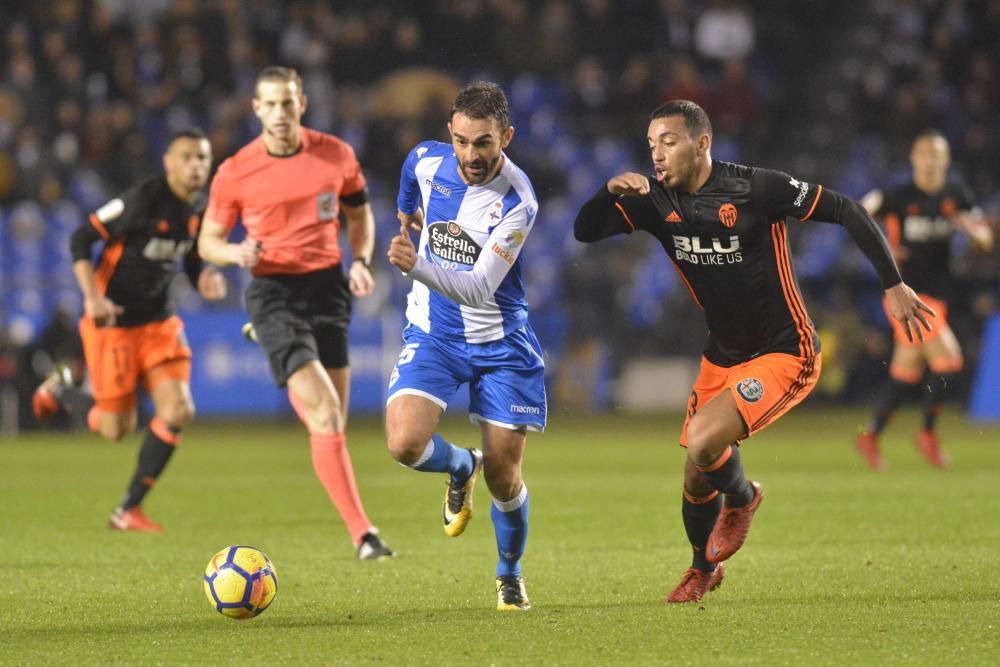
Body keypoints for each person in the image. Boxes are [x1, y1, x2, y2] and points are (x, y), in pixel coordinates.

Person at [573, 100, 932, 603]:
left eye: (668, 142)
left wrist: (893, 284)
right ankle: (702, 569)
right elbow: (585, 230)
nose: (656, 154)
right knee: (696, 477)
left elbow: (847, 209)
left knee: (702, 442)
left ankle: (744, 498)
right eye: (651, 143)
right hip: (721, 356)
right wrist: (605, 191)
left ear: (702, 144)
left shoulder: (754, 187)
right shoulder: (654, 201)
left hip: (785, 350)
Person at [197, 66, 394, 561]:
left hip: (327, 287)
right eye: (271, 104)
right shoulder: (236, 170)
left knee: (332, 424)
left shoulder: (336, 155)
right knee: (325, 412)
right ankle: (364, 535)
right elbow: (208, 241)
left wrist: (362, 262)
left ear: (301, 104)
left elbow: (358, 214)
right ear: (256, 109)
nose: (280, 113)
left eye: (288, 103)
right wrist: (234, 254)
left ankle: (275, 347)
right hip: (272, 290)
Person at [385, 82, 545, 611]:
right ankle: (459, 466)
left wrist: (417, 264)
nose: (470, 156)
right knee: (404, 444)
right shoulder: (429, 161)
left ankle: (509, 574)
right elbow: (410, 172)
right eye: (461, 141)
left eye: (483, 143)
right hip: (434, 333)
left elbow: (479, 287)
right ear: (448, 136)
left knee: (505, 476)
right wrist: (407, 214)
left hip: (500, 344)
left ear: (507, 137)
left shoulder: (517, 201)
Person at [32, 128, 226, 532]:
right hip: (113, 322)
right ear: (169, 162)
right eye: (187, 157)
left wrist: (202, 276)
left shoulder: (201, 207)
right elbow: (80, 239)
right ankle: (59, 391)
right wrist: (92, 298)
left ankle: (128, 509)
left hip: (158, 321)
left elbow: (188, 256)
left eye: (202, 159)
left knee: (179, 410)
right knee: (114, 428)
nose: (195, 166)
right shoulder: (141, 200)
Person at [855, 130, 993, 471]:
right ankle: (927, 435)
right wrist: (883, 245)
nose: (930, 161)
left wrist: (974, 232)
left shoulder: (956, 194)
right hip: (905, 295)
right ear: (914, 158)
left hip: (940, 294)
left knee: (905, 373)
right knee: (948, 361)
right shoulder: (898, 195)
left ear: (946, 161)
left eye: (937, 155)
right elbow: (859, 210)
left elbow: (985, 241)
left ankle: (871, 436)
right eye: (924, 154)